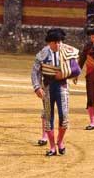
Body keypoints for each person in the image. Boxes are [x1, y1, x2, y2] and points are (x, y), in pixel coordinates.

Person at [31, 28, 81, 156]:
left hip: (62, 86)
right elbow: (35, 71)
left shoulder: (68, 52)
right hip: (47, 87)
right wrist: (37, 87)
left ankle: (60, 142)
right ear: (49, 43)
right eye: (55, 42)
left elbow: (76, 70)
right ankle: (52, 146)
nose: (58, 45)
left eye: (59, 42)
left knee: (64, 117)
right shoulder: (42, 54)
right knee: (48, 117)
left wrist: (64, 73)